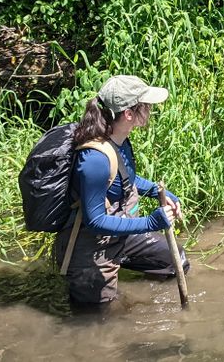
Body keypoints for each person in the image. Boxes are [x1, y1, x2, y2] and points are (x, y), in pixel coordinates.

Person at [54, 74, 190, 307]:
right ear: (129, 114)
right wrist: (149, 223)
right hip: (91, 248)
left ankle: (127, 276)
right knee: (100, 322)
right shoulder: (94, 160)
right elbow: (95, 220)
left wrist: (159, 192)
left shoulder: (120, 139)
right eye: (146, 106)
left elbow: (127, 179)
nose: (150, 111)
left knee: (176, 261)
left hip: (120, 234)